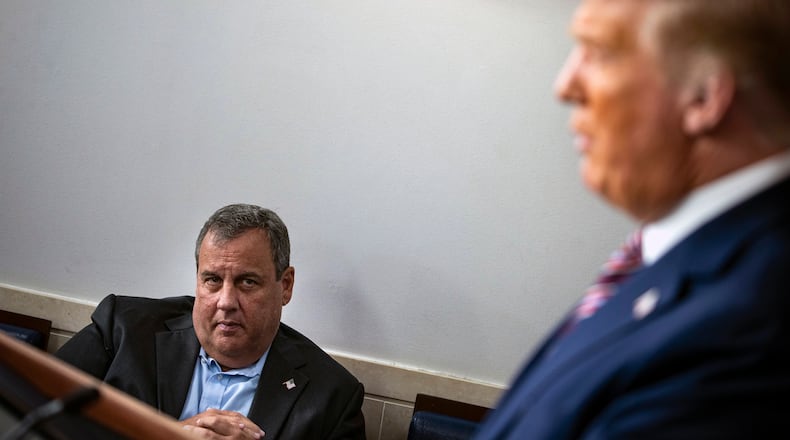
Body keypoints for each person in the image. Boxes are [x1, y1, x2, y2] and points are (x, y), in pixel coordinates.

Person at [474, 0, 790, 439]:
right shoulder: (688, 257)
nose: (565, 86)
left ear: (703, 96)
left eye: (599, 52)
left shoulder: (747, 334)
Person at [56, 204, 366, 439]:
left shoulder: (332, 398)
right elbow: (35, 418)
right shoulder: (122, 331)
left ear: (285, 286)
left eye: (247, 282)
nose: (226, 301)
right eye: (213, 280)